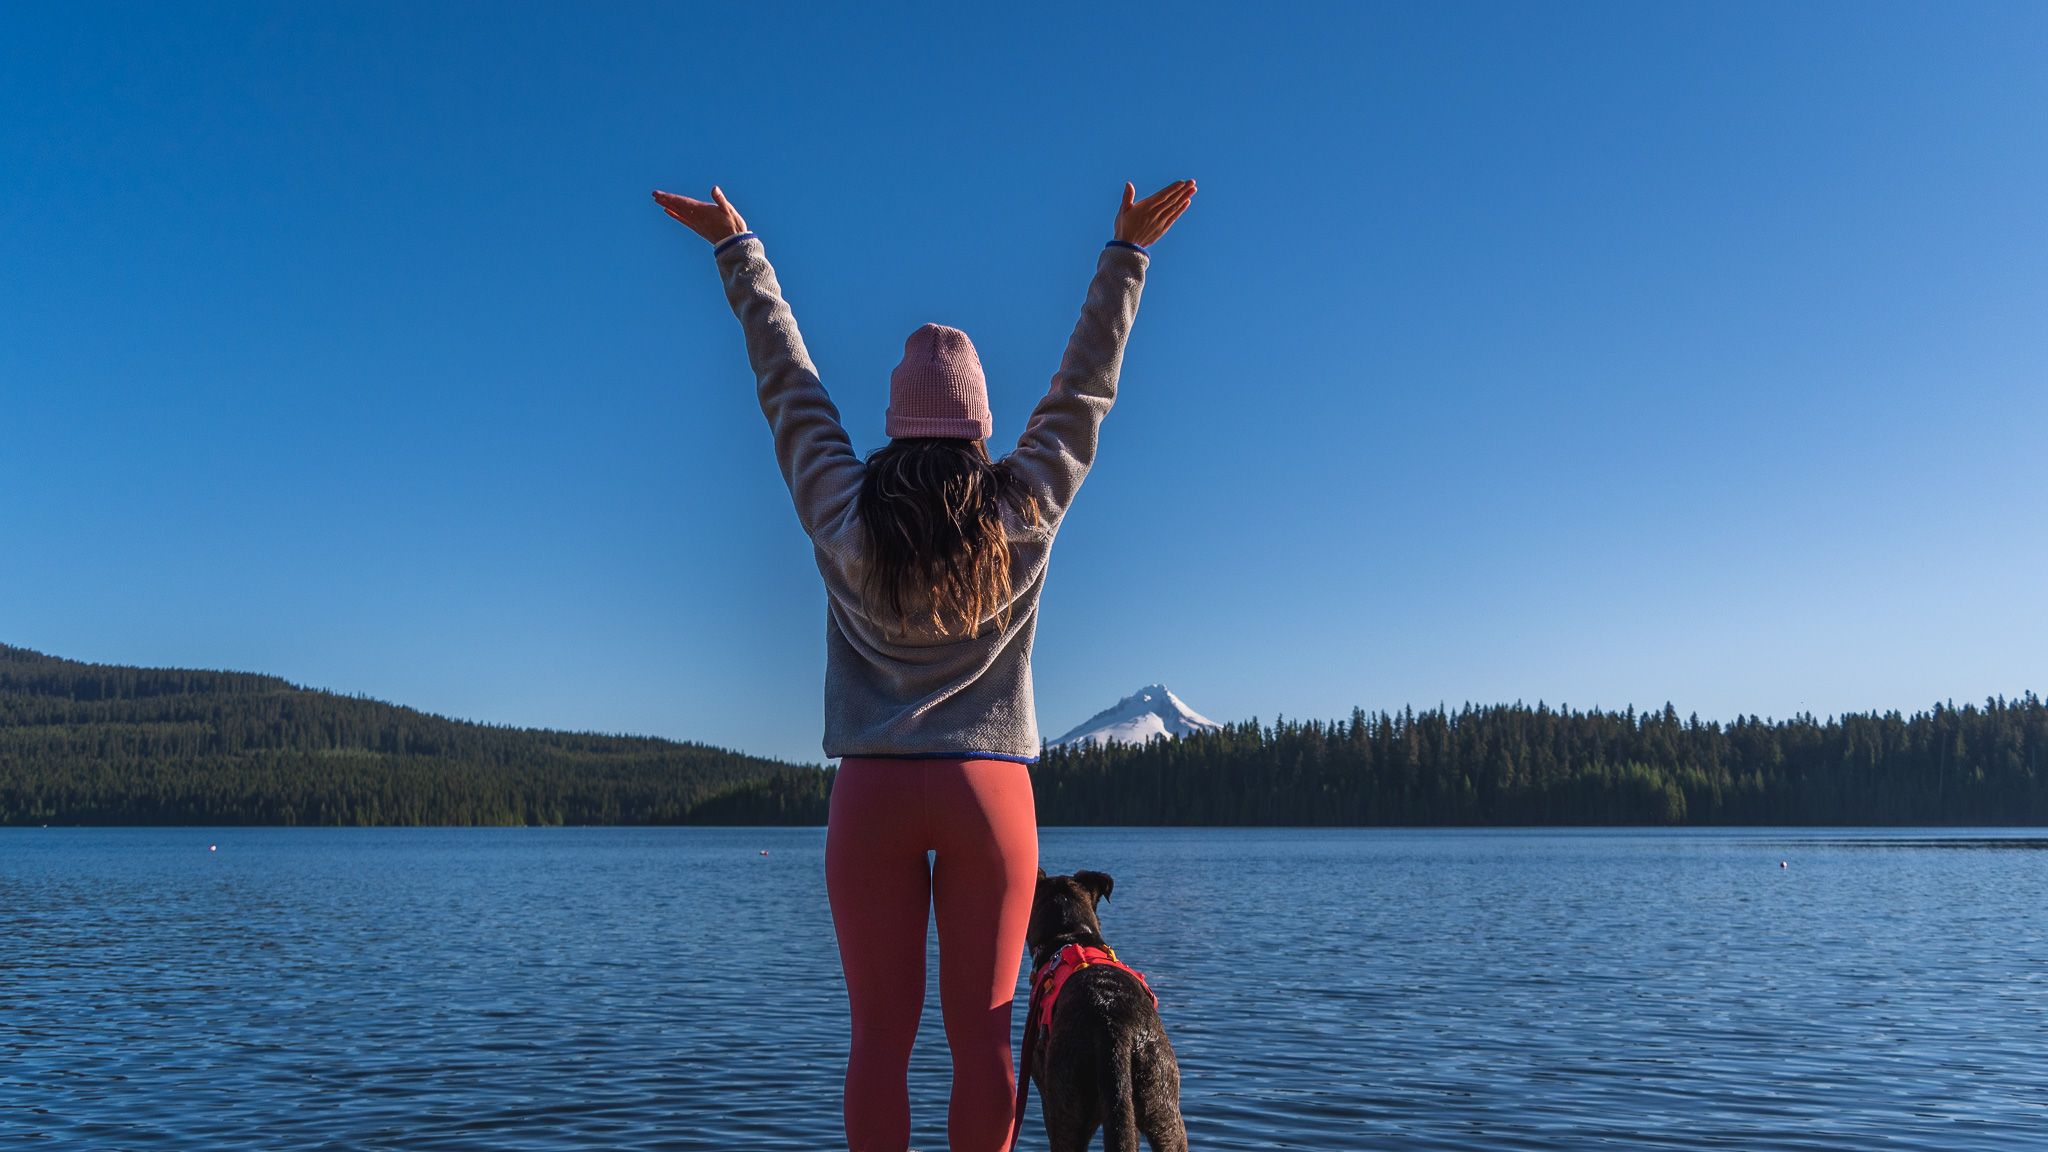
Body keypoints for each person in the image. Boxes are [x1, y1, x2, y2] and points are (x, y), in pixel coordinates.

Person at [653, 178, 1195, 1152]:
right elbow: (1083, 391)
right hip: (990, 792)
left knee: (878, 1045)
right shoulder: (1018, 512)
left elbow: (787, 380)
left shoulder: (842, 508)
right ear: (982, 430)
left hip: (870, 792)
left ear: (895, 427)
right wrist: (1123, 255)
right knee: (986, 1039)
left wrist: (739, 249)